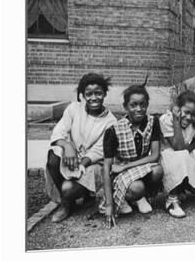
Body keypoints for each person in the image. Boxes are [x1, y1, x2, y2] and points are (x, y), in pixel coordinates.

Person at [45, 73, 117, 223]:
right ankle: (66, 204)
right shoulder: (73, 109)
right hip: (70, 157)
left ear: (104, 94)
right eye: (88, 94)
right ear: (82, 95)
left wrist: (81, 164)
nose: (94, 98)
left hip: (91, 163)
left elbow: (99, 150)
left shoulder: (111, 121)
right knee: (54, 156)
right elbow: (59, 132)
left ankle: (84, 195)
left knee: (68, 189)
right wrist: (67, 146)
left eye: (98, 93)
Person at [102, 84, 163, 227]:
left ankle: (142, 197)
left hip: (136, 167)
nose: (139, 109)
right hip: (121, 174)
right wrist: (109, 204)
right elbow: (106, 168)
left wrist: (126, 167)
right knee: (137, 188)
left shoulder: (153, 122)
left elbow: (154, 156)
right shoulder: (114, 130)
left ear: (147, 105)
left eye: (143, 104)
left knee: (158, 170)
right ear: (125, 107)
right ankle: (132, 197)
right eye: (133, 105)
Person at [159, 90, 195, 218]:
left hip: (182, 155)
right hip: (166, 156)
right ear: (178, 109)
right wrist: (175, 120)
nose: (189, 117)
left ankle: (181, 188)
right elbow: (177, 147)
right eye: (186, 112)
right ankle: (171, 200)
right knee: (179, 156)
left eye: (193, 114)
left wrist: (188, 150)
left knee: (185, 159)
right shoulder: (166, 120)